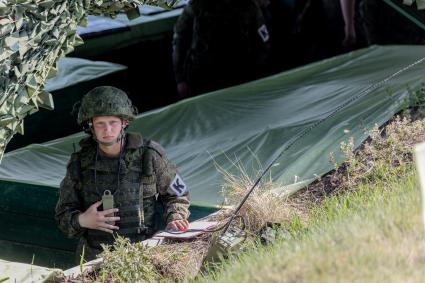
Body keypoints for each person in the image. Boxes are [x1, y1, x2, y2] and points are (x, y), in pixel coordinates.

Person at [55, 86, 190, 262]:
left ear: (124, 122)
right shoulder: (79, 164)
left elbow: (178, 194)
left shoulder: (149, 155)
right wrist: (82, 220)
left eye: (113, 123)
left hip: (144, 254)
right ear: (91, 126)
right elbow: (63, 214)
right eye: (100, 124)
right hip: (95, 259)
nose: (107, 130)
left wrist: (175, 218)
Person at [172, 0, 271, 98]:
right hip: (205, 77)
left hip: (239, 74)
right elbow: (180, 40)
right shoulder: (197, 5)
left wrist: (256, 75)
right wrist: (180, 80)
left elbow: (262, 44)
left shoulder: (249, 6)